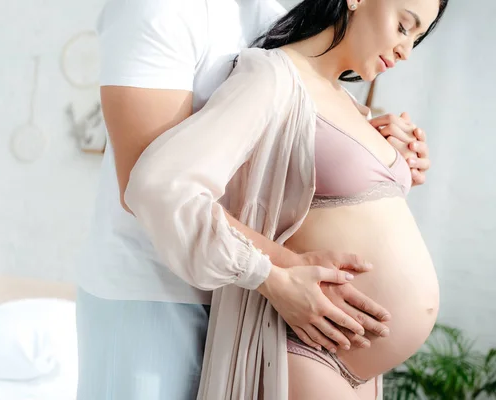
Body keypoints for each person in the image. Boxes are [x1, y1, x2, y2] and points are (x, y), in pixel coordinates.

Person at [76, 0, 433, 399]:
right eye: (404, 27)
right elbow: (146, 184)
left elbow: (299, 160)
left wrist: (383, 151)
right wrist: (278, 273)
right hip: (155, 289)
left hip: (263, 303)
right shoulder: (161, 10)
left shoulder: (278, 23)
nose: (407, 49)